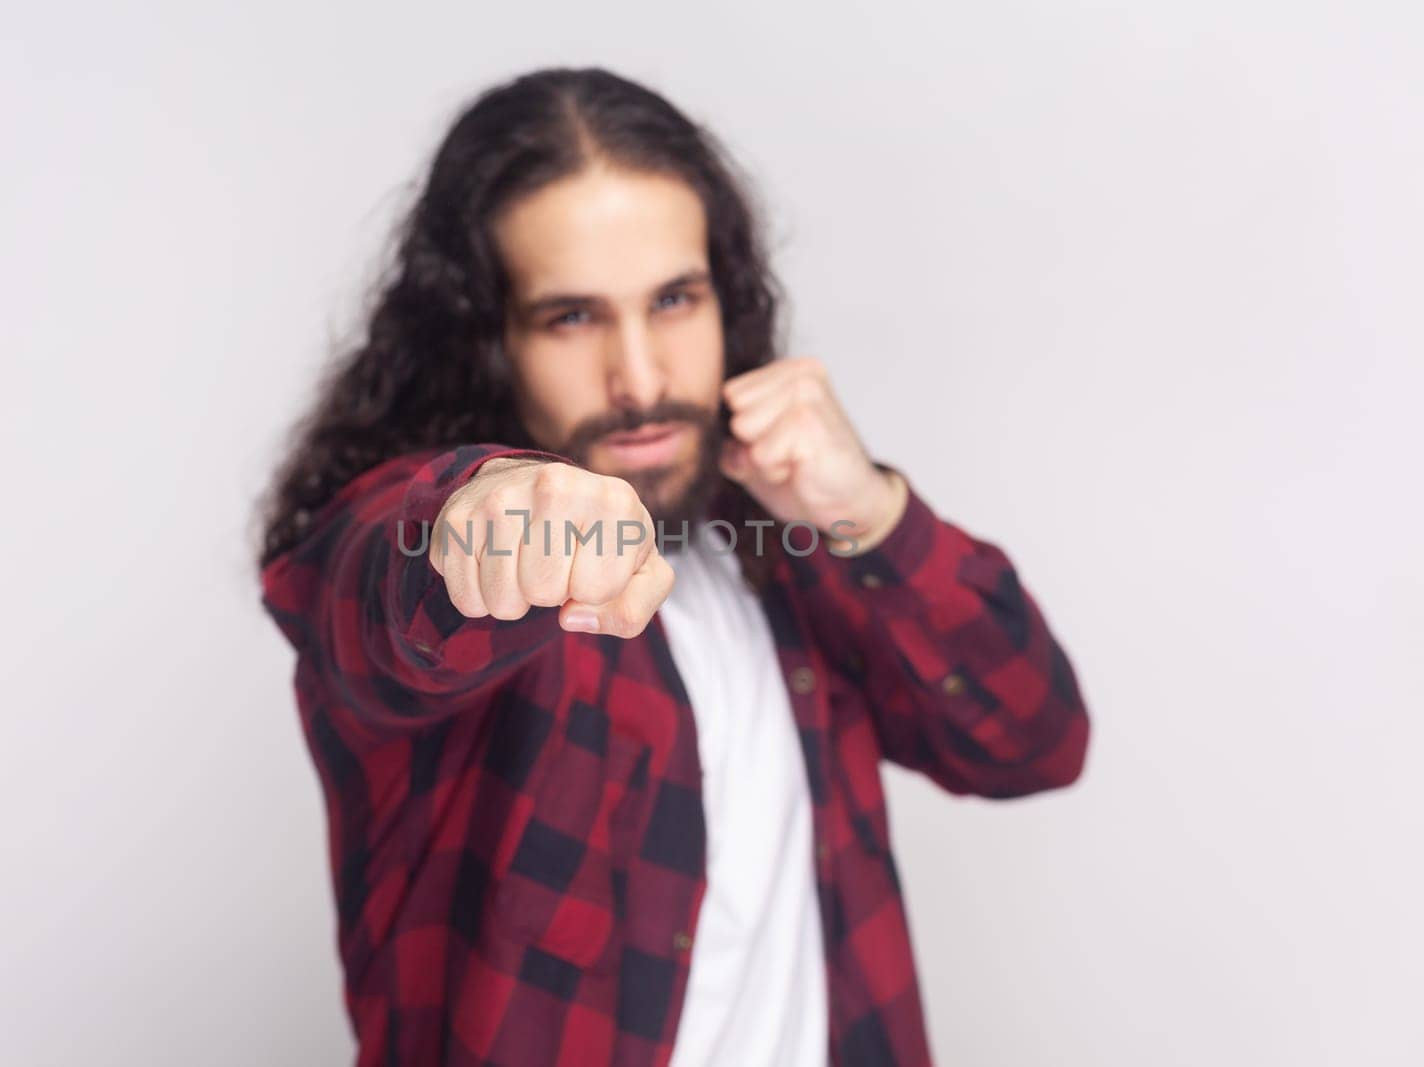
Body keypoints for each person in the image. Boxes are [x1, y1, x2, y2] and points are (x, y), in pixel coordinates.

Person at [254, 65, 1090, 1067]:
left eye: (674, 300)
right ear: (486, 342)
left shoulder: (778, 548)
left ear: (725, 299)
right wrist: (481, 515)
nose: (641, 378)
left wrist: (864, 509)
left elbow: (1032, 740)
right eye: (572, 317)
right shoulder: (444, 547)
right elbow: (376, 593)